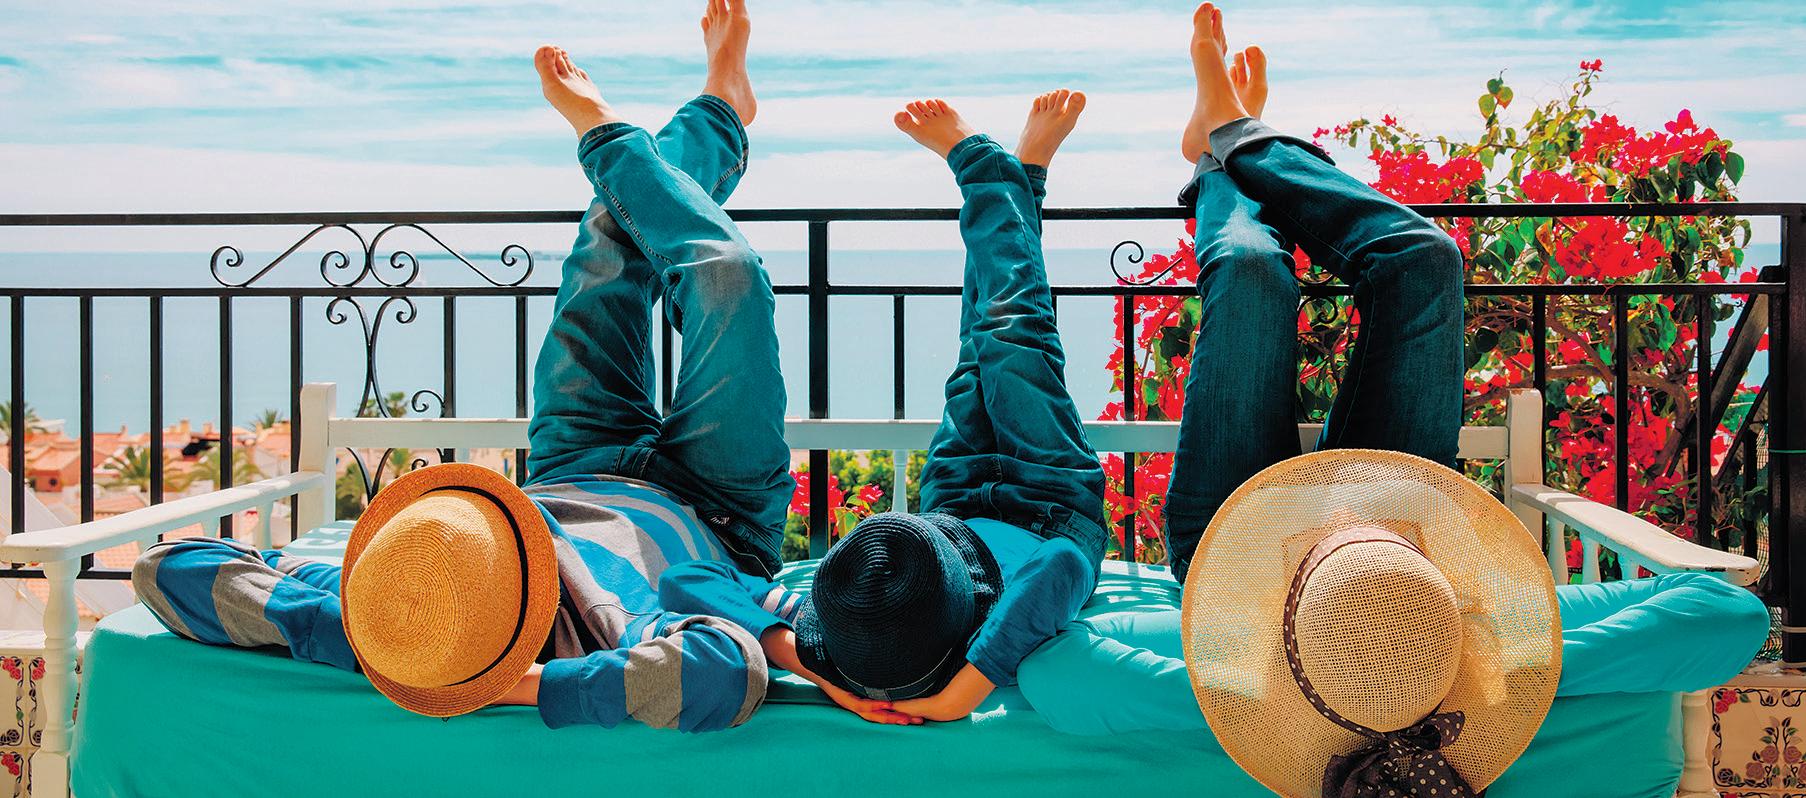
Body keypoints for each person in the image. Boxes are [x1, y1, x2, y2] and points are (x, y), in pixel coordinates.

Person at [128, 0, 881, 732]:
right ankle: (645, 129)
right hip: (714, 509)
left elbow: (167, 568)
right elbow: (724, 671)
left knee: (609, 244)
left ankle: (718, 108)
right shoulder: (614, 624)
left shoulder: (393, 615)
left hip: (575, 460)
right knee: (726, 276)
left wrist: (381, 649)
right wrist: (514, 685)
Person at [660, 89, 1104, 724]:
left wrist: (817, 669)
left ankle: (1017, 182)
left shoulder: (855, 632)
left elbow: (687, 580)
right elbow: (1061, 564)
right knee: (1011, 335)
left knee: (981, 347)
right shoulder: (949, 643)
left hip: (950, 513)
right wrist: (961, 693)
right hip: (1051, 504)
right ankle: (992, 168)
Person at [1162, 1, 1467, 584]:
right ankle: (1228, 138)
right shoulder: (1416, 631)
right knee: (1425, 258)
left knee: (1250, 269)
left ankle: (1224, 148)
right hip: (1390, 542)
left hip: (1233, 552)